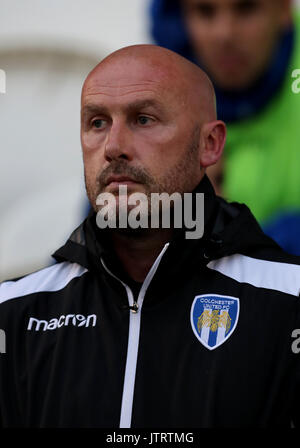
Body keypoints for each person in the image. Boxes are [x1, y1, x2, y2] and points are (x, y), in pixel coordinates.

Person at [0, 45, 300, 428]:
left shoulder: (289, 302)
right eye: (97, 123)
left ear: (210, 145)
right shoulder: (14, 313)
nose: (113, 147)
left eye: (143, 119)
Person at [150, 0, 300, 254]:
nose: (225, 34)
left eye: (246, 8)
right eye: (205, 11)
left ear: (284, 9)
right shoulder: (141, 94)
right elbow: (91, 264)